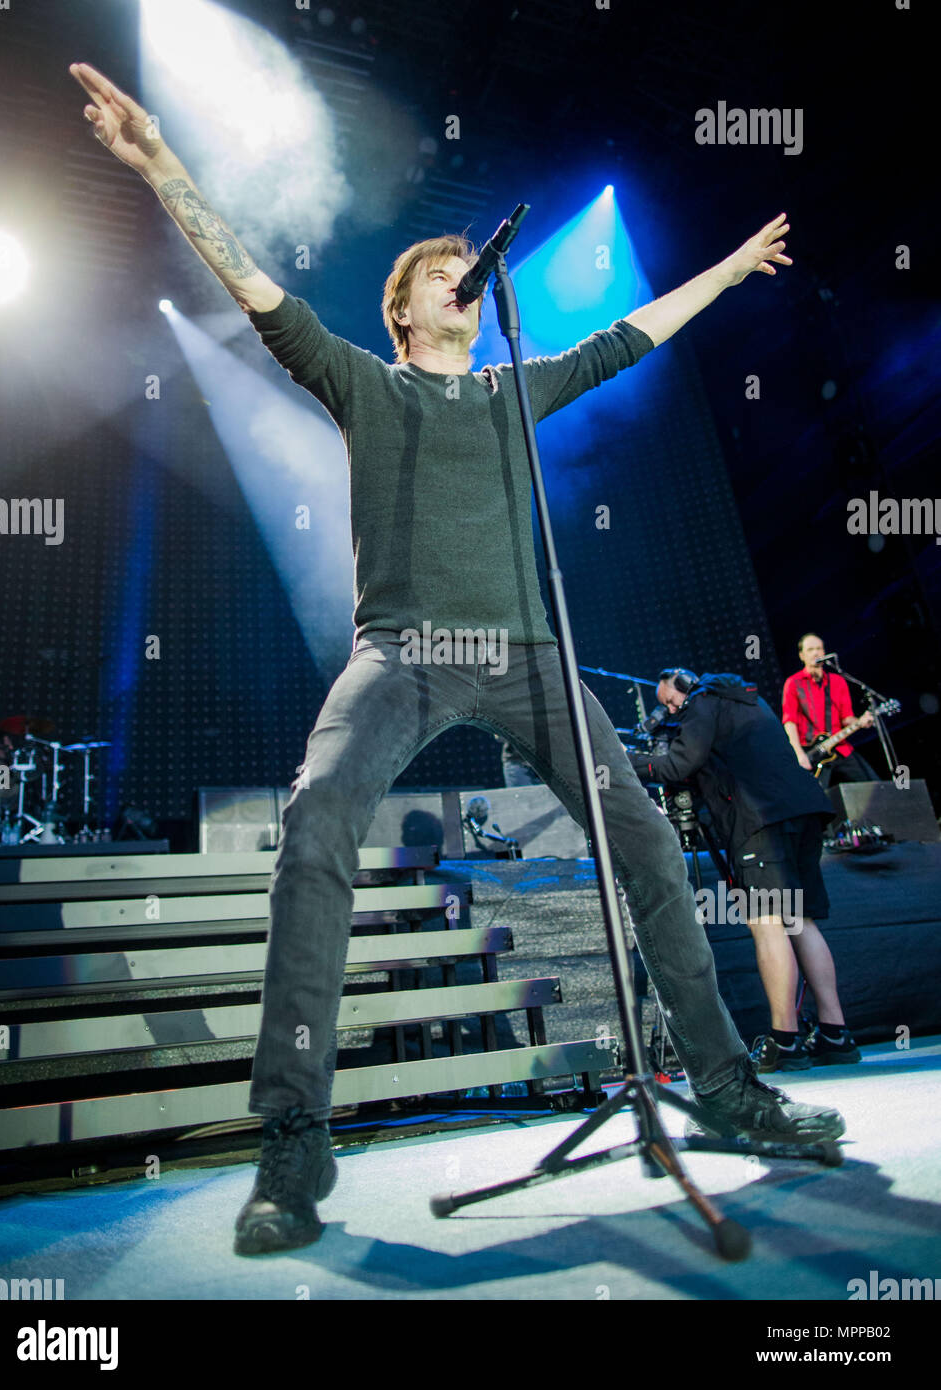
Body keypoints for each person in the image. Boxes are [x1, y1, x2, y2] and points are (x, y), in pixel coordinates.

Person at [70, 62, 845, 1257]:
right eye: (446, 273)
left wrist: (732, 271)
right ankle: (293, 1133)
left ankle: (729, 1084)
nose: (467, 285)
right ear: (406, 308)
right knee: (319, 813)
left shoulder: (509, 388)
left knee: (640, 832)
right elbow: (252, 281)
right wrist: (163, 164)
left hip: (531, 650)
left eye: (471, 276)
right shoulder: (361, 385)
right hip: (405, 653)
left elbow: (629, 336)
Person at [627, 669, 862, 1073]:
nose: (671, 710)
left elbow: (680, 764)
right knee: (799, 921)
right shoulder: (750, 698)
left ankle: (785, 1040)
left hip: (760, 819)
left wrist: (625, 761)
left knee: (767, 922)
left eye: (670, 700)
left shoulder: (702, 701)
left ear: (687, 685)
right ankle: (835, 1033)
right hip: (804, 811)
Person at [782, 634, 879, 788]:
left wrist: (860, 722)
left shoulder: (837, 681)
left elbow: (847, 718)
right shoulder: (793, 683)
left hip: (840, 747)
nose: (816, 653)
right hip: (811, 752)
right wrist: (799, 754)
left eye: (819, 649)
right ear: (802, 655)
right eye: (810, 649)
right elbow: (789, 722)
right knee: (817, 797)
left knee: (873, 786)